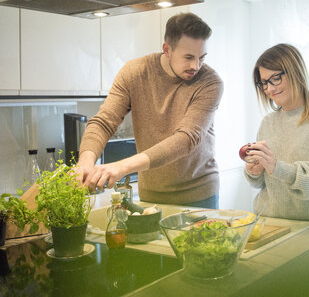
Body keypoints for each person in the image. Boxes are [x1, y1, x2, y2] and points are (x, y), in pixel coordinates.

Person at [76, 12, 224, 209]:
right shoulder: (135, 72)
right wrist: (85, 163)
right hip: (151, 195)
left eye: (201, 58)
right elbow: (104, 121)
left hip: (199, 196)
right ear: (167, 49)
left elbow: (186, 139)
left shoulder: (210, 83)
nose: (195, 66)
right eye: (188, 57)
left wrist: (121, 167)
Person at [244, 43, 309, 222]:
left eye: (275, 78)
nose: (270, 89)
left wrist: (278, 168)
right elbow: (262, 184)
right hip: (268, 223)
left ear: (294, 71)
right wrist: (255, 171)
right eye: (264, 83)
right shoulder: (267, 122)